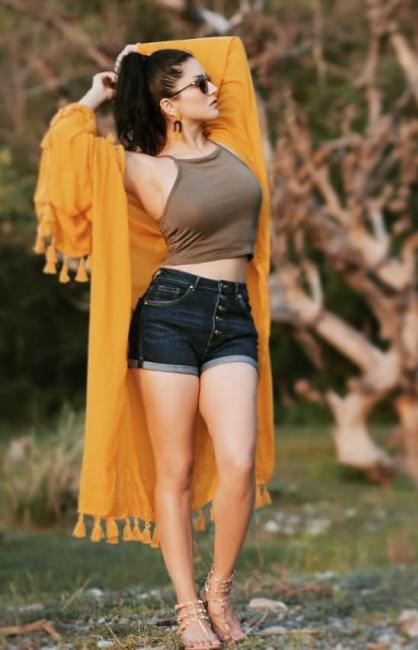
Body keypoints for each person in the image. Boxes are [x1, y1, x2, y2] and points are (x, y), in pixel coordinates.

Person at [72, 41, 263, 649]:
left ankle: (219, 589)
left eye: (208, 82)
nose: (214, 89)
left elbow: (229, 59)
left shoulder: (234, 139)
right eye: (198, 85)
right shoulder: (139, 167)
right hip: (170, 315)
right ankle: (188, 610)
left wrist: (142, 54)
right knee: (174, 471)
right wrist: (98, 93)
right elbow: (68, 156)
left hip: (234, 316)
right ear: (170, 106)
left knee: (238, 461)